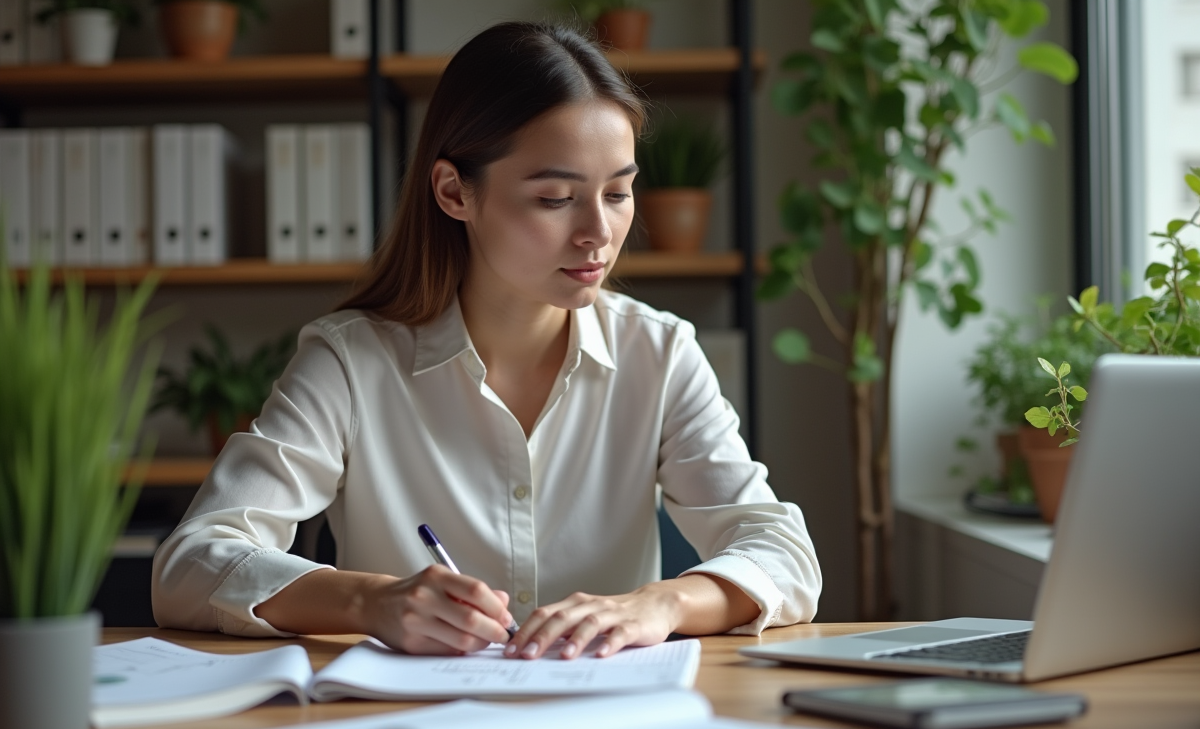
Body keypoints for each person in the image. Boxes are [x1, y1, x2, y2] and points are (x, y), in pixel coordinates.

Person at [151, 21, 821, 660]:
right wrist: (373, 602)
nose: (598, 233)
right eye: (556, 198)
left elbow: (784, 553)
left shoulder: (660, 353)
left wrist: (660, 605)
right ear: (453, 192)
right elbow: (190, 565)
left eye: (618, 193)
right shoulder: (352, 361)